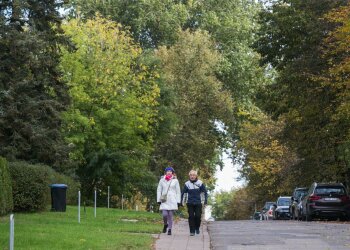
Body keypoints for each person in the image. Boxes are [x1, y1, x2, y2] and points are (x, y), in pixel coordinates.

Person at [181, 170, 208, 236]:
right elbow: (183, 193)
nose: (192, 176)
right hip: (189, 202)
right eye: (191, 175)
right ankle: (192, 231)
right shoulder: (187, 184)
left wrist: (205, 201)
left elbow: (205, 192)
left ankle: (197, 227)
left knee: (198, 216)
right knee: (191, 216)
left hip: (198, 202)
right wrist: (182, 202)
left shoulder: (200, 183)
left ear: (196, 176)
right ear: (189, 176)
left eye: (193, 175)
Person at [157, 166, 181, 235]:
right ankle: (165, 224)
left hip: (172, 200)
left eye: (170, 171)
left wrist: (178, 201)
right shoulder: (162, 180)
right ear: (166, 172)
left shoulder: (175, 180)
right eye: (168, 171)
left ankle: (170, 229)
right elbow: (159, 190)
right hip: (164, 199)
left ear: (172, 173)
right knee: (164, 214)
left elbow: (178, 191)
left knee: (170, 215)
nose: (169, 172)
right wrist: (158, 199)